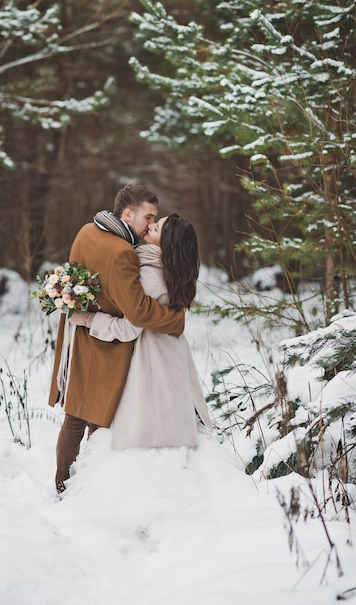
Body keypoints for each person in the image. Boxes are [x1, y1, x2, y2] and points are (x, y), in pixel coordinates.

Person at [48, 184, 185, 493]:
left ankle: (65, 486)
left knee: (75, 418)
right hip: (105, 344)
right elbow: (138, 312)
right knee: (95, 421)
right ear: (127, 213)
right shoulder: (123, 252)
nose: (151, 224)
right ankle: (79, 489)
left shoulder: (87, 231)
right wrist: (174, 320)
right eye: (148, 216)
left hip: (78, 337)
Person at [70, 213, 212, 449]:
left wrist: (87, 318)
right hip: (171, 358)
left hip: (151, 363)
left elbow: (128, 329)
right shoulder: (173, 271)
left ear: (167, 243)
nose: (149, 226)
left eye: (156, 228)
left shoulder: (149, 276)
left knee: (147, 436)